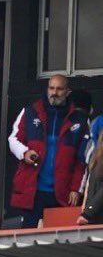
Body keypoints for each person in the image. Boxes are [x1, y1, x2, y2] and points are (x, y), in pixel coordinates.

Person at [7, 74, 90, 228]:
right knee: (27, 239)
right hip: (33, 189)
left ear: (68, 92)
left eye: (59, 89)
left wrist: (76, 189)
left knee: (60, 241)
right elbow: (13, 139)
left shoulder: (80, 119)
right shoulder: (30, 112)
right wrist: (25, 153)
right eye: (51, 88)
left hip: (62, 192)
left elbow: (82, 160)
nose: (54, 93)